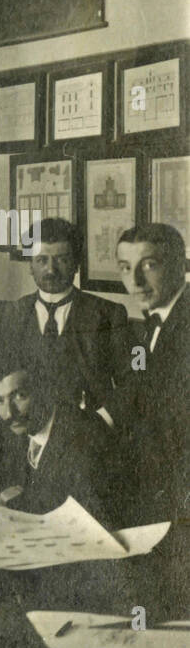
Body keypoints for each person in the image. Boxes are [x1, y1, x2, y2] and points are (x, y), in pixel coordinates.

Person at [112, 223, 189, 620]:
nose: (135, 280)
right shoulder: (149, 324)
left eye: (149, 265)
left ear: (180, 265)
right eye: (125, 268)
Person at [0, 218, 131, 421]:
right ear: (30, 266)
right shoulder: (9, 315)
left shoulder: (109, 314)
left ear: (76, 264)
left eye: (62, 259)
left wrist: (103, 421)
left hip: (89, 434)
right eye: (42, 260)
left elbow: (135, 378)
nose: (51, 270)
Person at [0, 358, 116, 523]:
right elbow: (9, 480)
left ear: (43, 389)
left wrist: (18, 503)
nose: (9, 413)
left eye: (19, 396)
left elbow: (87, 516)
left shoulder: (83, 434)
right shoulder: (19, 428)